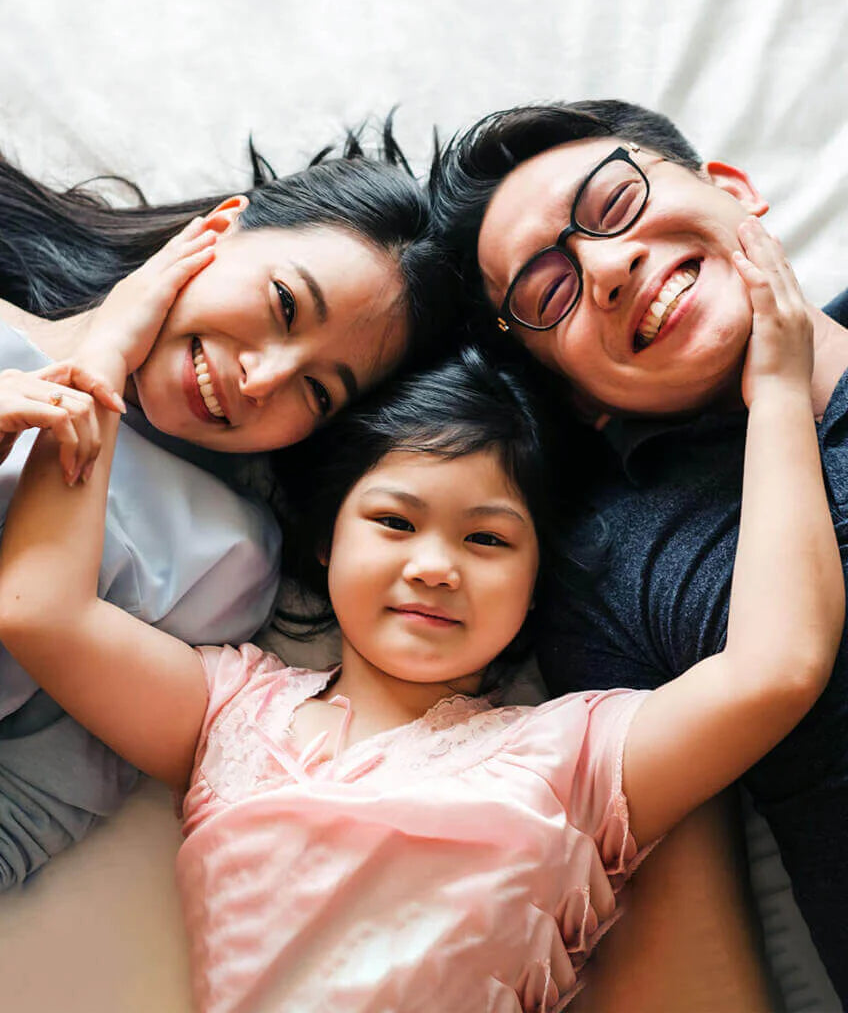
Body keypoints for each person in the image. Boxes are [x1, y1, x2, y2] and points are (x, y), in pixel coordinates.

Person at [0, 219, 839, 1013]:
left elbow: (775, 667)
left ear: (535, 582)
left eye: (487, 539)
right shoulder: (229, 711)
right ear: (327, 543)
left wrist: (776, 394)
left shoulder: (577, 756)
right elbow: (40, 609)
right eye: (394, 523)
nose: (434, 567)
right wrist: (103, 356)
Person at [432, 97, 848, 1000]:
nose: (609, 266)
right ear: (581, 395)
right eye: (550, 292)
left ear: (733, 190)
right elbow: (688, 953)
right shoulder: (607, 571)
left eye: (615, 203)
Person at [0, 122, 453, 887]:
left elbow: (18, 819)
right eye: (283, 303)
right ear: (215, 232)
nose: (261, 378)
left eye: (317, 390)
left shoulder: (223, 563)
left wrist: (101, 367)